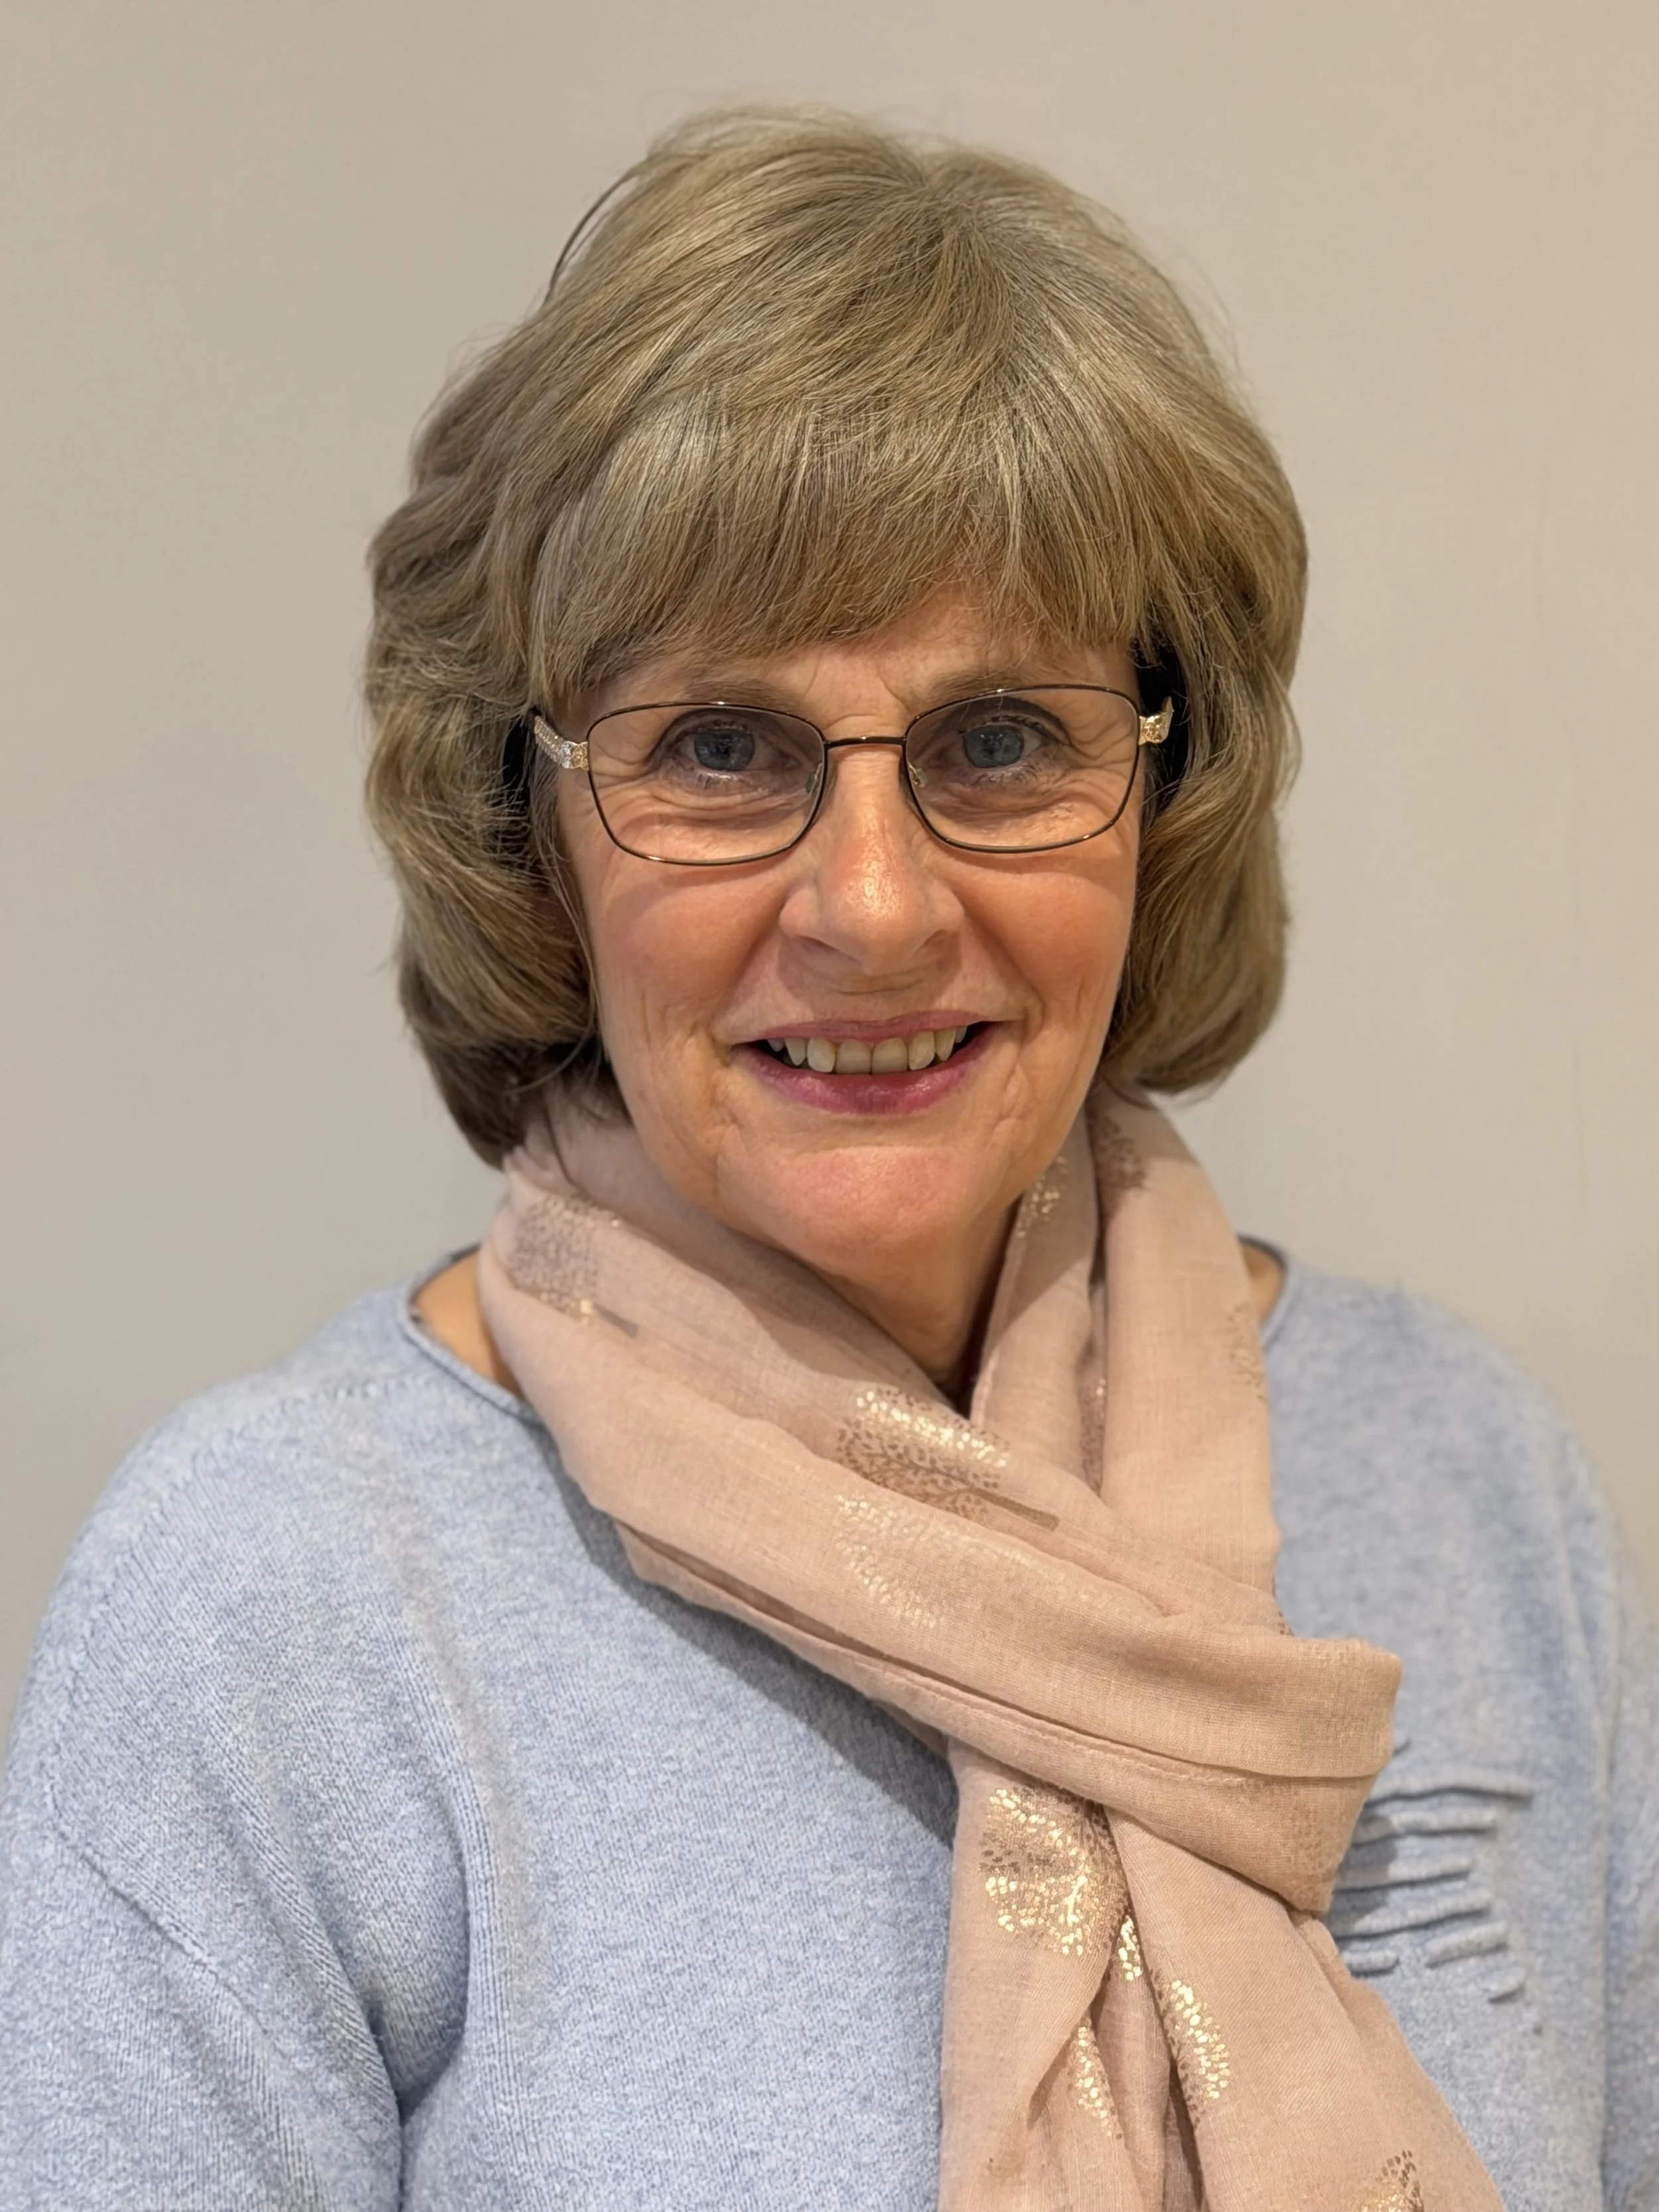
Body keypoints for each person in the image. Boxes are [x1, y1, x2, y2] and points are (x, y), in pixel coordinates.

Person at [0, 110, 1652, 2212]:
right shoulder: (279, 1603)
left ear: (1166, 795)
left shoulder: (1468, 1477)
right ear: (524, 825)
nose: (871, 904)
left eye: (995, 740)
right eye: (717, 747)